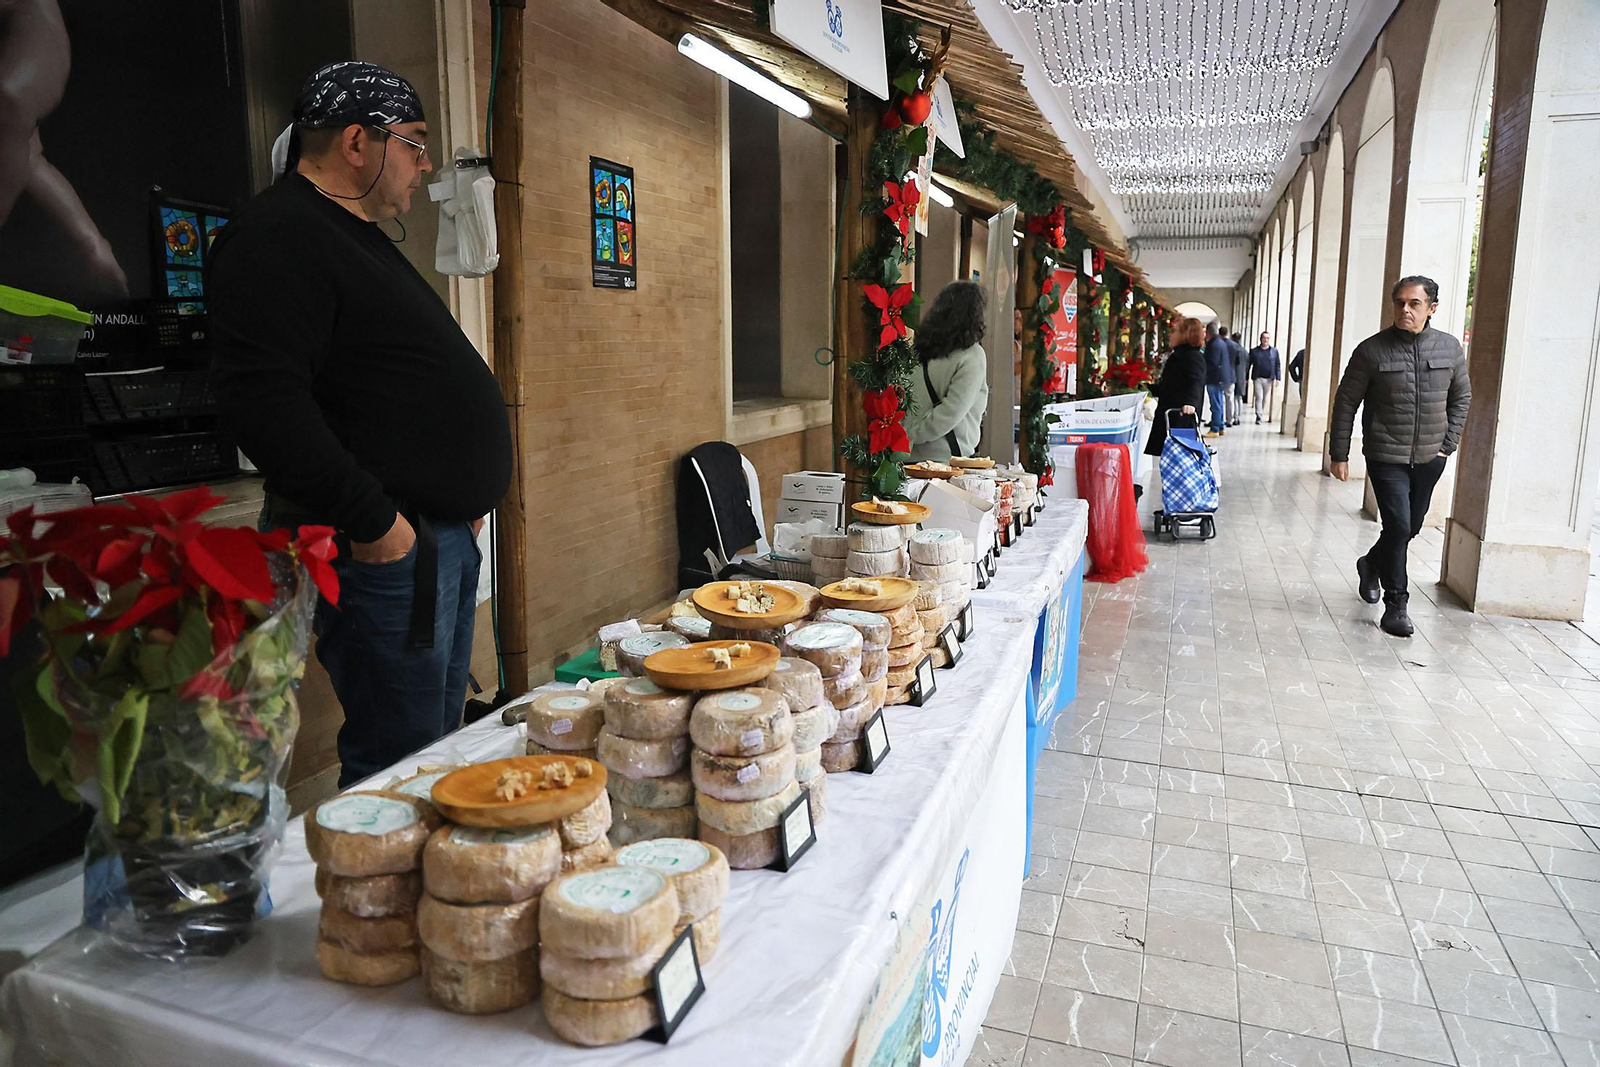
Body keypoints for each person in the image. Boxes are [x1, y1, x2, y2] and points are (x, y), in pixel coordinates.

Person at [210, 61, 513, 785]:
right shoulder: (277, 234)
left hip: (431, 545)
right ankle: (380, 896)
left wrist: (456, 508)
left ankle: (430, 895)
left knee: (435, 755)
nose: (426, 161)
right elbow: (265, 404)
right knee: (395, 769)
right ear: (357, 142)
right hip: (382, 552)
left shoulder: (354, 236)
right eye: (413, 141)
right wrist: (378, 522)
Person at [1329, 276, 1470, 638]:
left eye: (1414, 304)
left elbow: (1461, 399)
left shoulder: (1450, 348)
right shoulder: (1371, 351)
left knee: (1411, 526)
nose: (1405, 310)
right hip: (1385, 454)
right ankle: (1397, 604)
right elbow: (1347, 401)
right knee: (1398, 526)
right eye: (1399, 303)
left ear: (1431, 308)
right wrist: (1339, 453)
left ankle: (1370, 563)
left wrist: (1447, 444)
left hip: (1430, 457)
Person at [905, 280, 990, 463]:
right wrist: (914, 434)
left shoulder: (919, 349)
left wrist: (905, 437)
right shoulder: (972, 356)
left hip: (906, 456)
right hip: (947, 460)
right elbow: (951, 411)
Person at [1145, 316, 1207, 467]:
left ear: (1185, 334)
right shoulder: (1179, 356)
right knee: (1172, 458)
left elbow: (1196, 382)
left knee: (1181, 459)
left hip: (1180, 416)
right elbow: (1172, 385)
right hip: (1172, 413)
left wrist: (1191, 403)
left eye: (1175, 331)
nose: (1171, 334)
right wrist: (1149, 388)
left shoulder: (1193, 357)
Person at [1202, 322, 1233, 437]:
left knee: (1215, 403)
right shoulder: (1221, 342)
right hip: (1221, 377)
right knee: (1219, 402)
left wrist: (1204, 372)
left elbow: (1212, 362)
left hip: (1214, 377)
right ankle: (1220, 426)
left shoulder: (1212, 344)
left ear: (1208, 333)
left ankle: (1214, 428)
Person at [1247, 333, 1282, 424]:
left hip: (1269, 378)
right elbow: (1248, 365)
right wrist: (1246, 377)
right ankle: (1259, 415)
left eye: (1267, 338)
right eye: (1264, 338)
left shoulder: (1274, 351)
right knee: (1259, 396)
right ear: (1260, 339)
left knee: (1264, 398)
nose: (1265, 340)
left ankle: (1261, 412)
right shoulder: (1254, 351)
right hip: (1258, 377)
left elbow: (1277, 364)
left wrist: (1278, 377)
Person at [1227, 329, 1248, 426]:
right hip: (1242, 375)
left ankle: (1234, 417)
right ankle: (1238, 416)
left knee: (1233, 397)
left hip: (1234, 375)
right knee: (1239, 397)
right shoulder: (1245, 351)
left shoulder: (1233, 350)